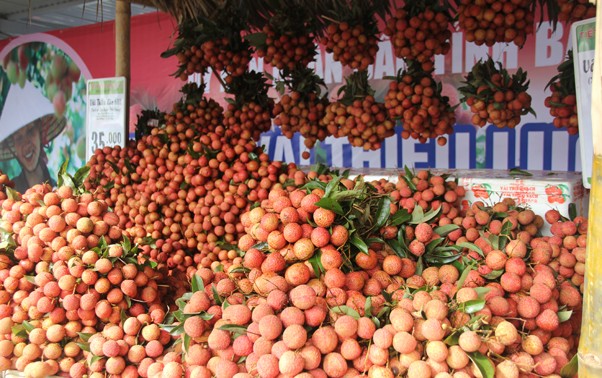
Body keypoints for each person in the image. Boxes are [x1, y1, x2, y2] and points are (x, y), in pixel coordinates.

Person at [0, 80, 66, 193]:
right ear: (13, 147)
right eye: (19, 138)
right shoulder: (9, 193)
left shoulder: (59, 190)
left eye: (30, 131)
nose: (26, 143)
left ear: (41, 133)